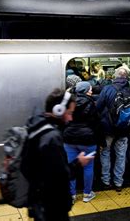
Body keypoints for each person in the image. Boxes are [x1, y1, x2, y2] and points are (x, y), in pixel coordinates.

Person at [20, 88, 94, 221]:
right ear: (58, 110)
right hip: (52, 207)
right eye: (70, 113)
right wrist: (79, 163)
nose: (71, 118)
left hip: (38, 202)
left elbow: (27, 168)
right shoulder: (52, 137)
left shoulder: (36, 127)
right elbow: (61, 175)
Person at [96, 66, 130, 191]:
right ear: (127, 77)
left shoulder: (107, 89)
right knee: (121, 155)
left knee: (105, 153)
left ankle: (106, 181)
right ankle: (118, 183)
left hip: (108, 129)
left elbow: (98, 107)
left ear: (115, 76)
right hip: (124, 130)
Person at [63, 82, 104, 203]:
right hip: (87, 139)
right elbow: (97, 124)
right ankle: (87, 194)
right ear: (85, 90)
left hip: (69, 139)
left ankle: (71, 195)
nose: (91, 91)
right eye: (90, 89)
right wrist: (101, 141)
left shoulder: (69, 102)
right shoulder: (92, 104)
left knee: (71, 166)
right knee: (88, 167)